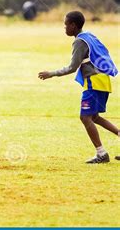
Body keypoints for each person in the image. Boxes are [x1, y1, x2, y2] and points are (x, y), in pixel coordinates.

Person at [38, 11, 118, 163]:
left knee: (85, 117)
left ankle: (101, 154)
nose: (64, 28)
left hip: (94, 82)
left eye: (66, 24)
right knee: (94, 117)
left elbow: (72, 67)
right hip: (103, 80)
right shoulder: (89, 36)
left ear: (73, 26)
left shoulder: (79, 42)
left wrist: (51, 73)